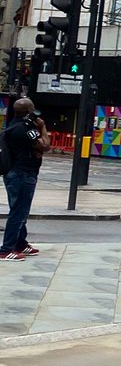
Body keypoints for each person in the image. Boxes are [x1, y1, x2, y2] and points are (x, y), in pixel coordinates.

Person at [2, 97, 50, 261]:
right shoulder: (27, 129)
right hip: (23, 174)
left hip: (13, 173)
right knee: (18, 212)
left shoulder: (12, 125)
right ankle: (6, 249)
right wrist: (42, 127)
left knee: (19, 210)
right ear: (30, 112)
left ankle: (20, 244)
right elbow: (45, 145)